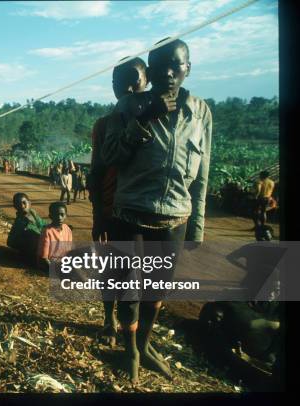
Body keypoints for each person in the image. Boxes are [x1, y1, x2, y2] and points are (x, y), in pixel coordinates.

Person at [101, 38, 212, 383]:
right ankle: (130, 349)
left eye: (175, 65)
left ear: (187, 68)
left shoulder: (201, 111)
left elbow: (203, 173)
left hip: (175, 217)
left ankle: (145, 345)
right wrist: (145, 119)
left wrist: (196, 227)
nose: (167, 73)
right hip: (131, 214)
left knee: (156, 291)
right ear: (148, 72)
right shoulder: (128, 107)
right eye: (159, 66)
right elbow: (110, 157)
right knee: (130, 291)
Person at [89, 56, 149, 345]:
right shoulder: (104, 125)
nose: (124, 87)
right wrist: (98, 214)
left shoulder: (158, 123)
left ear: (147, 81)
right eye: (117, 82)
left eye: (133, 80)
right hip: (114, 211)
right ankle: (109, 321)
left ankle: (138, 335)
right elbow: (97, 172)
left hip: (148, 213)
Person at [7, 193, 47, 264]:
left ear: (29, 203)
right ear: (15, 206)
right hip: (28, 247)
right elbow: (10, 242)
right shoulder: (20, 222)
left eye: (24, 202)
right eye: (18, 204)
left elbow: (43, 224)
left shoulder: (32, 213)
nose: (22, 206)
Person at [37, 202, 72, 272]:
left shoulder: (67, 229)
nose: (59, 218)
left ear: (66, 215)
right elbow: (44, 258)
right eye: (56, 215)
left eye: (62, 215)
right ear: (50, 216)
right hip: (48, 264)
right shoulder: (47, 231)